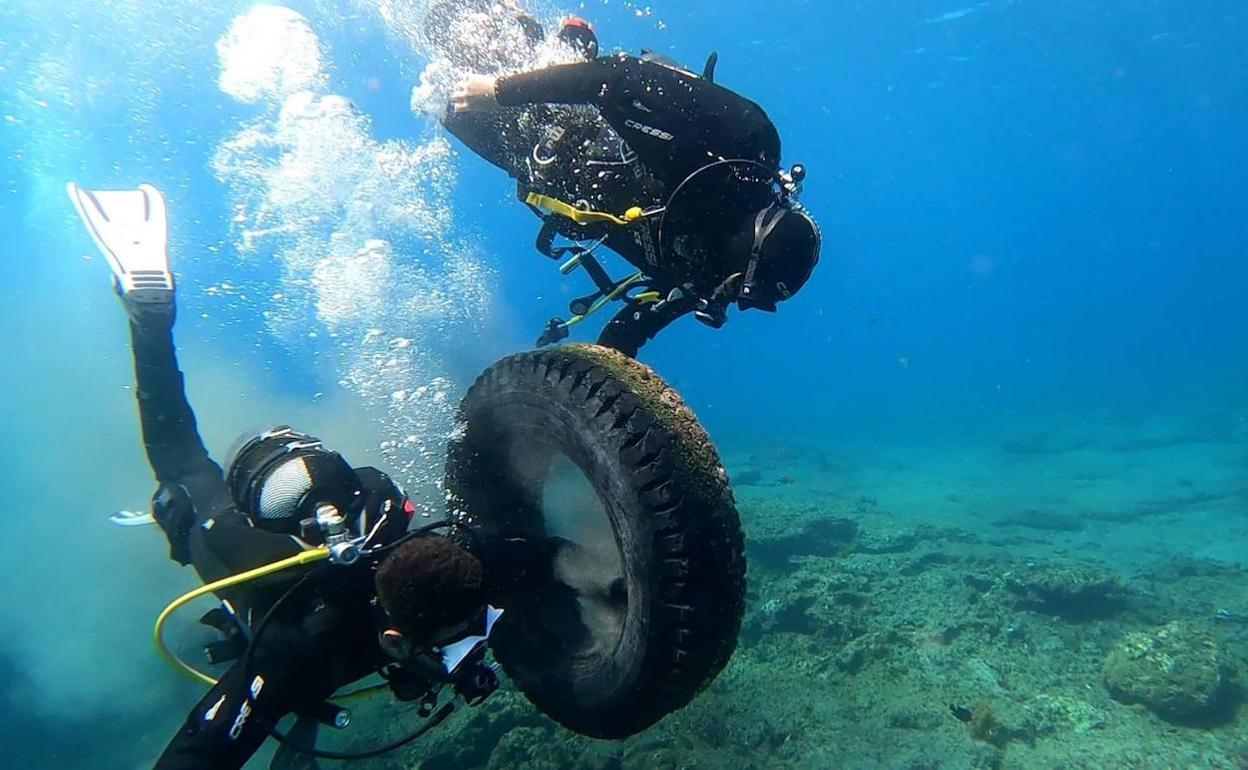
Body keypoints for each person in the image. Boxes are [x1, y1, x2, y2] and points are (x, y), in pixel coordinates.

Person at [67, 183, 503, 770]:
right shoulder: (294, 656)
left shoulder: (454, 566)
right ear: (397, 644)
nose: (477, 656)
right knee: (181, 467)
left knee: (185, 455)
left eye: (479, 630)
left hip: (321, 521)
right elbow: (199, 753)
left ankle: (152, 317)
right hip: (231, 535)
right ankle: (151, 318)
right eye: (454, 649)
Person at [447, 33, 822, 357]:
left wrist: (597, 389)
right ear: (751, 246)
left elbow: (631, 331)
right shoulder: (746, 140)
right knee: (460, 53)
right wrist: (500, 91)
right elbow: (616, 76)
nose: (718, 291)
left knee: (444, 108)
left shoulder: (705, 269)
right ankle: (548, 35)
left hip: (536, 167)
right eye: (733, 283)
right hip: (550, 110)